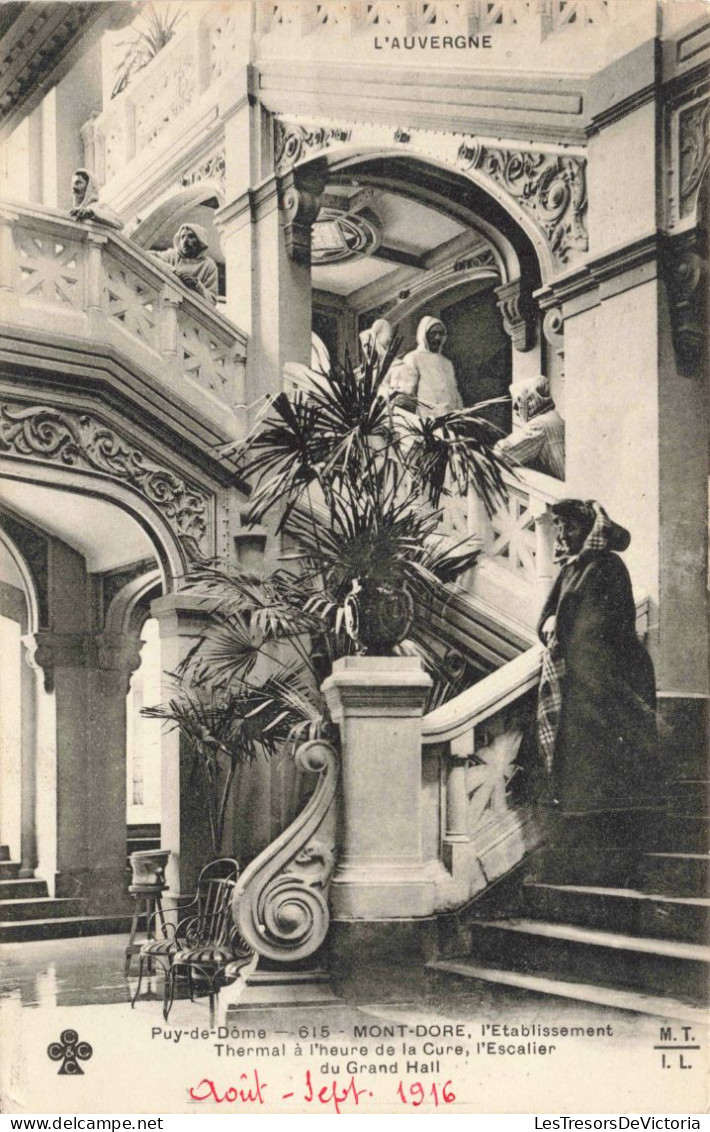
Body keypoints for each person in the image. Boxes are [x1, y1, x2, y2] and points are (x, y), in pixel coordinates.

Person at [537, 499, 659, 820]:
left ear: (589, 530)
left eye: (571, 526)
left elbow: (593, 633)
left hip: (607, 674)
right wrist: (549, 625)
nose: (562, 534)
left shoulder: (606, 567)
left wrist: (559, 631)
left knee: (607, 775)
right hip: (585, 673)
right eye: (559, 525)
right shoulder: (573, 568)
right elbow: (553, 615)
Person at [388, 315, 462, 417]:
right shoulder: (413, 358)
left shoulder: (447, 363)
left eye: (441, 334)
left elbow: (454, 393)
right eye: (433, 333)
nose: (437, 337)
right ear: (424, 334)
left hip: (451, 419)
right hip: (427, 419)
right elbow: (405, 394)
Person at [495, 375, 565, 480]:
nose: (515, 411)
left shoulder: (539, 425)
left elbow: (504, 455)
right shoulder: (554, 418)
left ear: (530, 401)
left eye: (518, 404)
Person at [154, 223, 218, 305]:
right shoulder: (172, 255)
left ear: (199, 241)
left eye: (191, 236)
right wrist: (174, 271)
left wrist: (197, 284)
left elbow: (212, 301)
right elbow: (149, 256)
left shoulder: (208, 265)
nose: (185, 241)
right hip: (169, 304)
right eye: (182, 237)